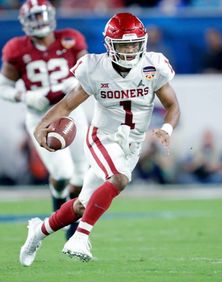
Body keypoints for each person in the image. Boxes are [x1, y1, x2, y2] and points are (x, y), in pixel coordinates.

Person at [19, 12, 181, 266]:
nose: (129, 50)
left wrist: (167, 129)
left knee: (83, 206)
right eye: (123, 45)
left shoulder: (154, 65)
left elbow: (172, 105)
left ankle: (37, 232)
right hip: (103, 137)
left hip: (132, 144)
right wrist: (42, 125)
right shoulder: (95, 68)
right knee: (119, 179)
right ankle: (80, 237)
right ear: (109, 45)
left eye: (134, 44)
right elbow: (67, 104)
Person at [0, 0, 89, 239]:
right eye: (34, 18)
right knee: (62, 173)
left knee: (81, 173)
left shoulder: (70, 38)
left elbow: (88, 69)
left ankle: (72, 223)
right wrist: (24, 95)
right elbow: (3, 87)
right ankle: (59, 209)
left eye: (42, 16)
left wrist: (77, 81)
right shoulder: (16, 48)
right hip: (41, 116)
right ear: (25, 23)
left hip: (71, 111)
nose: (40, 22)